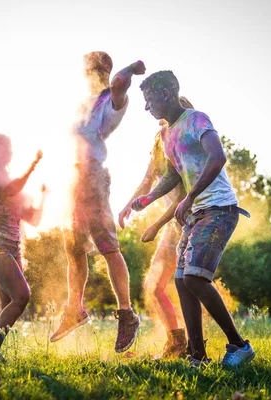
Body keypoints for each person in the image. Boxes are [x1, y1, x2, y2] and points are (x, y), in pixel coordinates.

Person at [132, 71, 255, 367]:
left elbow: (218, 157)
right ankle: (197, 354)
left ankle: (239, 346)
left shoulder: (197, 119)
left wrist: (189, 196)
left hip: (219, 209)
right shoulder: (166, 134)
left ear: (166, 94)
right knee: (182, 281)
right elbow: (174, 173)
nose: (146, 107)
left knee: (194, 278)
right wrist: (149, 198)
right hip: (195, 213)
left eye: (149, 100)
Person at [50, 51, 145, 353]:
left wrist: (132, 67)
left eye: (96, 67)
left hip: (94, 179)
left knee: (107, 246)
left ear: (105, 70)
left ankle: (127, 314)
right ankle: (73, 310)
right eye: (87, 67)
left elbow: (120, 83)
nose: (90, 72)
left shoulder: (111, 101)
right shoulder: (82, 104)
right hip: (74, 180)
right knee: (74, 248)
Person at [119, 96, 194, 358]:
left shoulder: (184, 144)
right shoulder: (158, 143)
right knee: (155, 285)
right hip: (171, 224)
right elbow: (147, 180)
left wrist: (155, 224)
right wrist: (128, 205)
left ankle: (186, 345)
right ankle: (179, 342)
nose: (163, 125)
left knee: (183, 283)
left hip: (187, 221)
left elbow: (186, 195)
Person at [0, 134, 47, 360]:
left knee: (6, 305)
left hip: (12, 249)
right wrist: (33, 166)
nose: (8, 151)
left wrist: (44, 197)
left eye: (9, 147)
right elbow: (11, 189)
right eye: (3, 147)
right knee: (22, 296)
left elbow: (33, 219)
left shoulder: (7, 178)